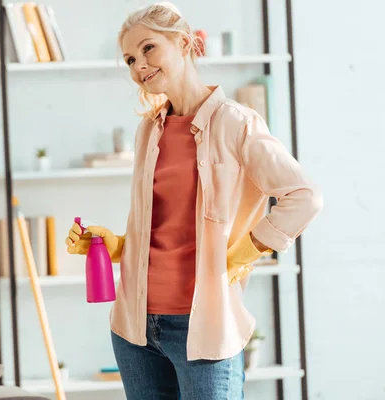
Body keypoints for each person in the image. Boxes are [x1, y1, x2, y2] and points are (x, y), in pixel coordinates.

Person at [65, 2, 323, 399]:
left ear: (183, 43)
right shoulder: (148, 131)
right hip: (135, 329)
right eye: (130, 58)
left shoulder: (236, 122)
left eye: (148, 49)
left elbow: (303, 196)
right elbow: (162, 225)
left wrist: (245, 251)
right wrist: (116, 245)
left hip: (204, 328)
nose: (139, 66)